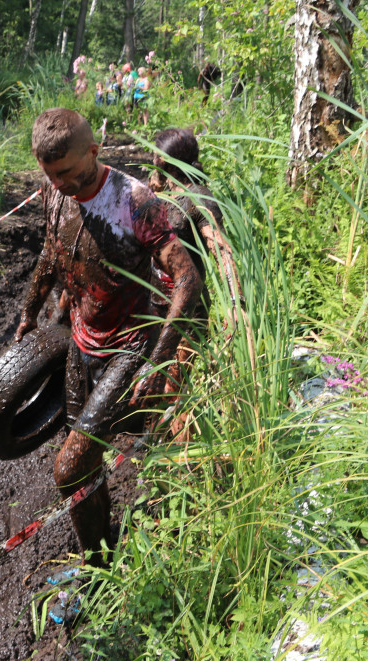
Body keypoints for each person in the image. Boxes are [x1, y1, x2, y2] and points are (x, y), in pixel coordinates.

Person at [15, 109, 202, 568]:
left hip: (130, 346)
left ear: (94, 153)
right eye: (50, 174)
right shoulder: (53, 193)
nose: (60, 184)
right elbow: (51, 252)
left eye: (69, 173)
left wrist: (160, 359)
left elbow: (187, 279)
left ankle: (155, 527)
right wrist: (28, 313)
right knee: (85, 467)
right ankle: (99, 563)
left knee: (68, 466)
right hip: (82, 343)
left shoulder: (135, 201)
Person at [148, 128, 242, 439]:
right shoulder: (163, 191)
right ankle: (156, 447)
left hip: (186, 311)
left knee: (177, 390)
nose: (151, 160)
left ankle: (181, 461)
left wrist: (235, 302)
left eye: (155, 156)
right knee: (153, 384)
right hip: (153, 305)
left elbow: (222, 250)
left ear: (167, 160)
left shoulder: (198, 197)